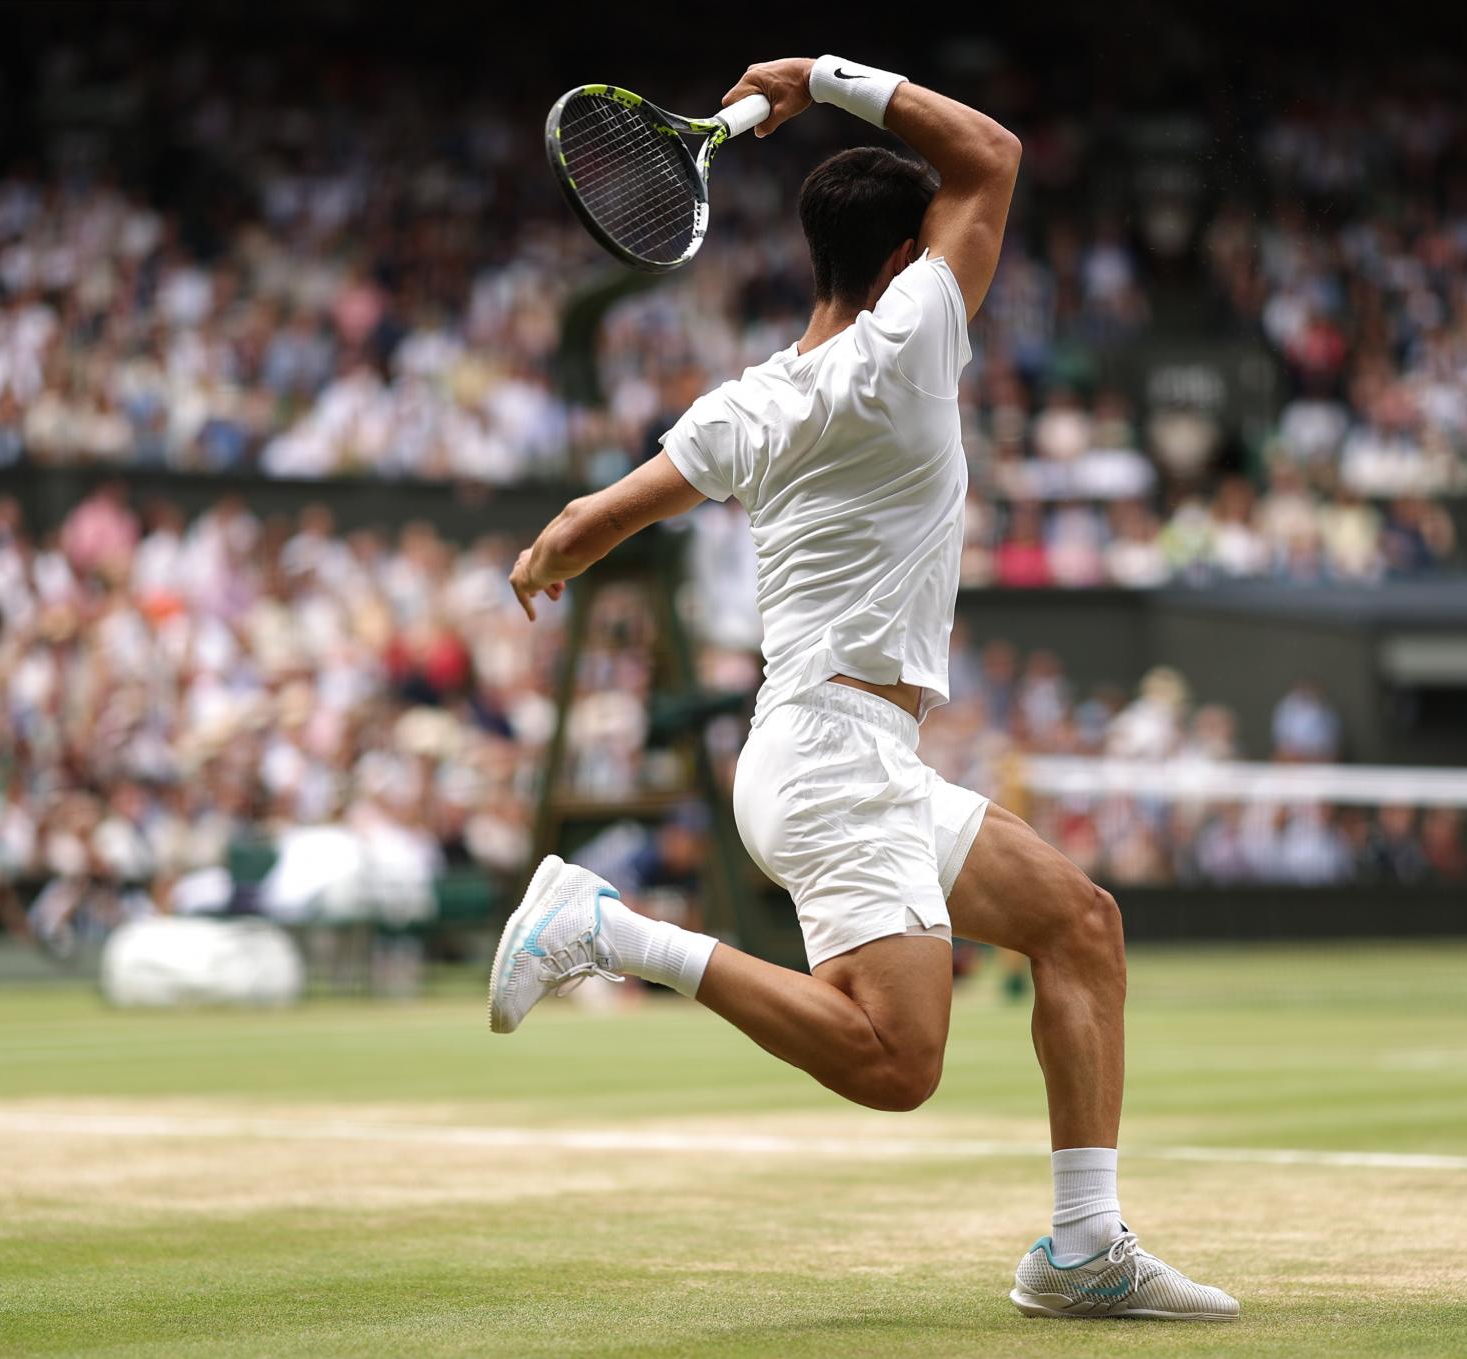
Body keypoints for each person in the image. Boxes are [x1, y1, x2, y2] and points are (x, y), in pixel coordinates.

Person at [488, 57, 1236, 1323]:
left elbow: (586, 521)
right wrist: (816, 77)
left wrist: (551, 552)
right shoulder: (910, 342)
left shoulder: (748, 404)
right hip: (833, 763)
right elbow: (990, 154)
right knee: (897, 1065)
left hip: (838, 754)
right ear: (901, 262)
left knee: (1077, 925)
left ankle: (1082, 1246)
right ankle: (607, 933)